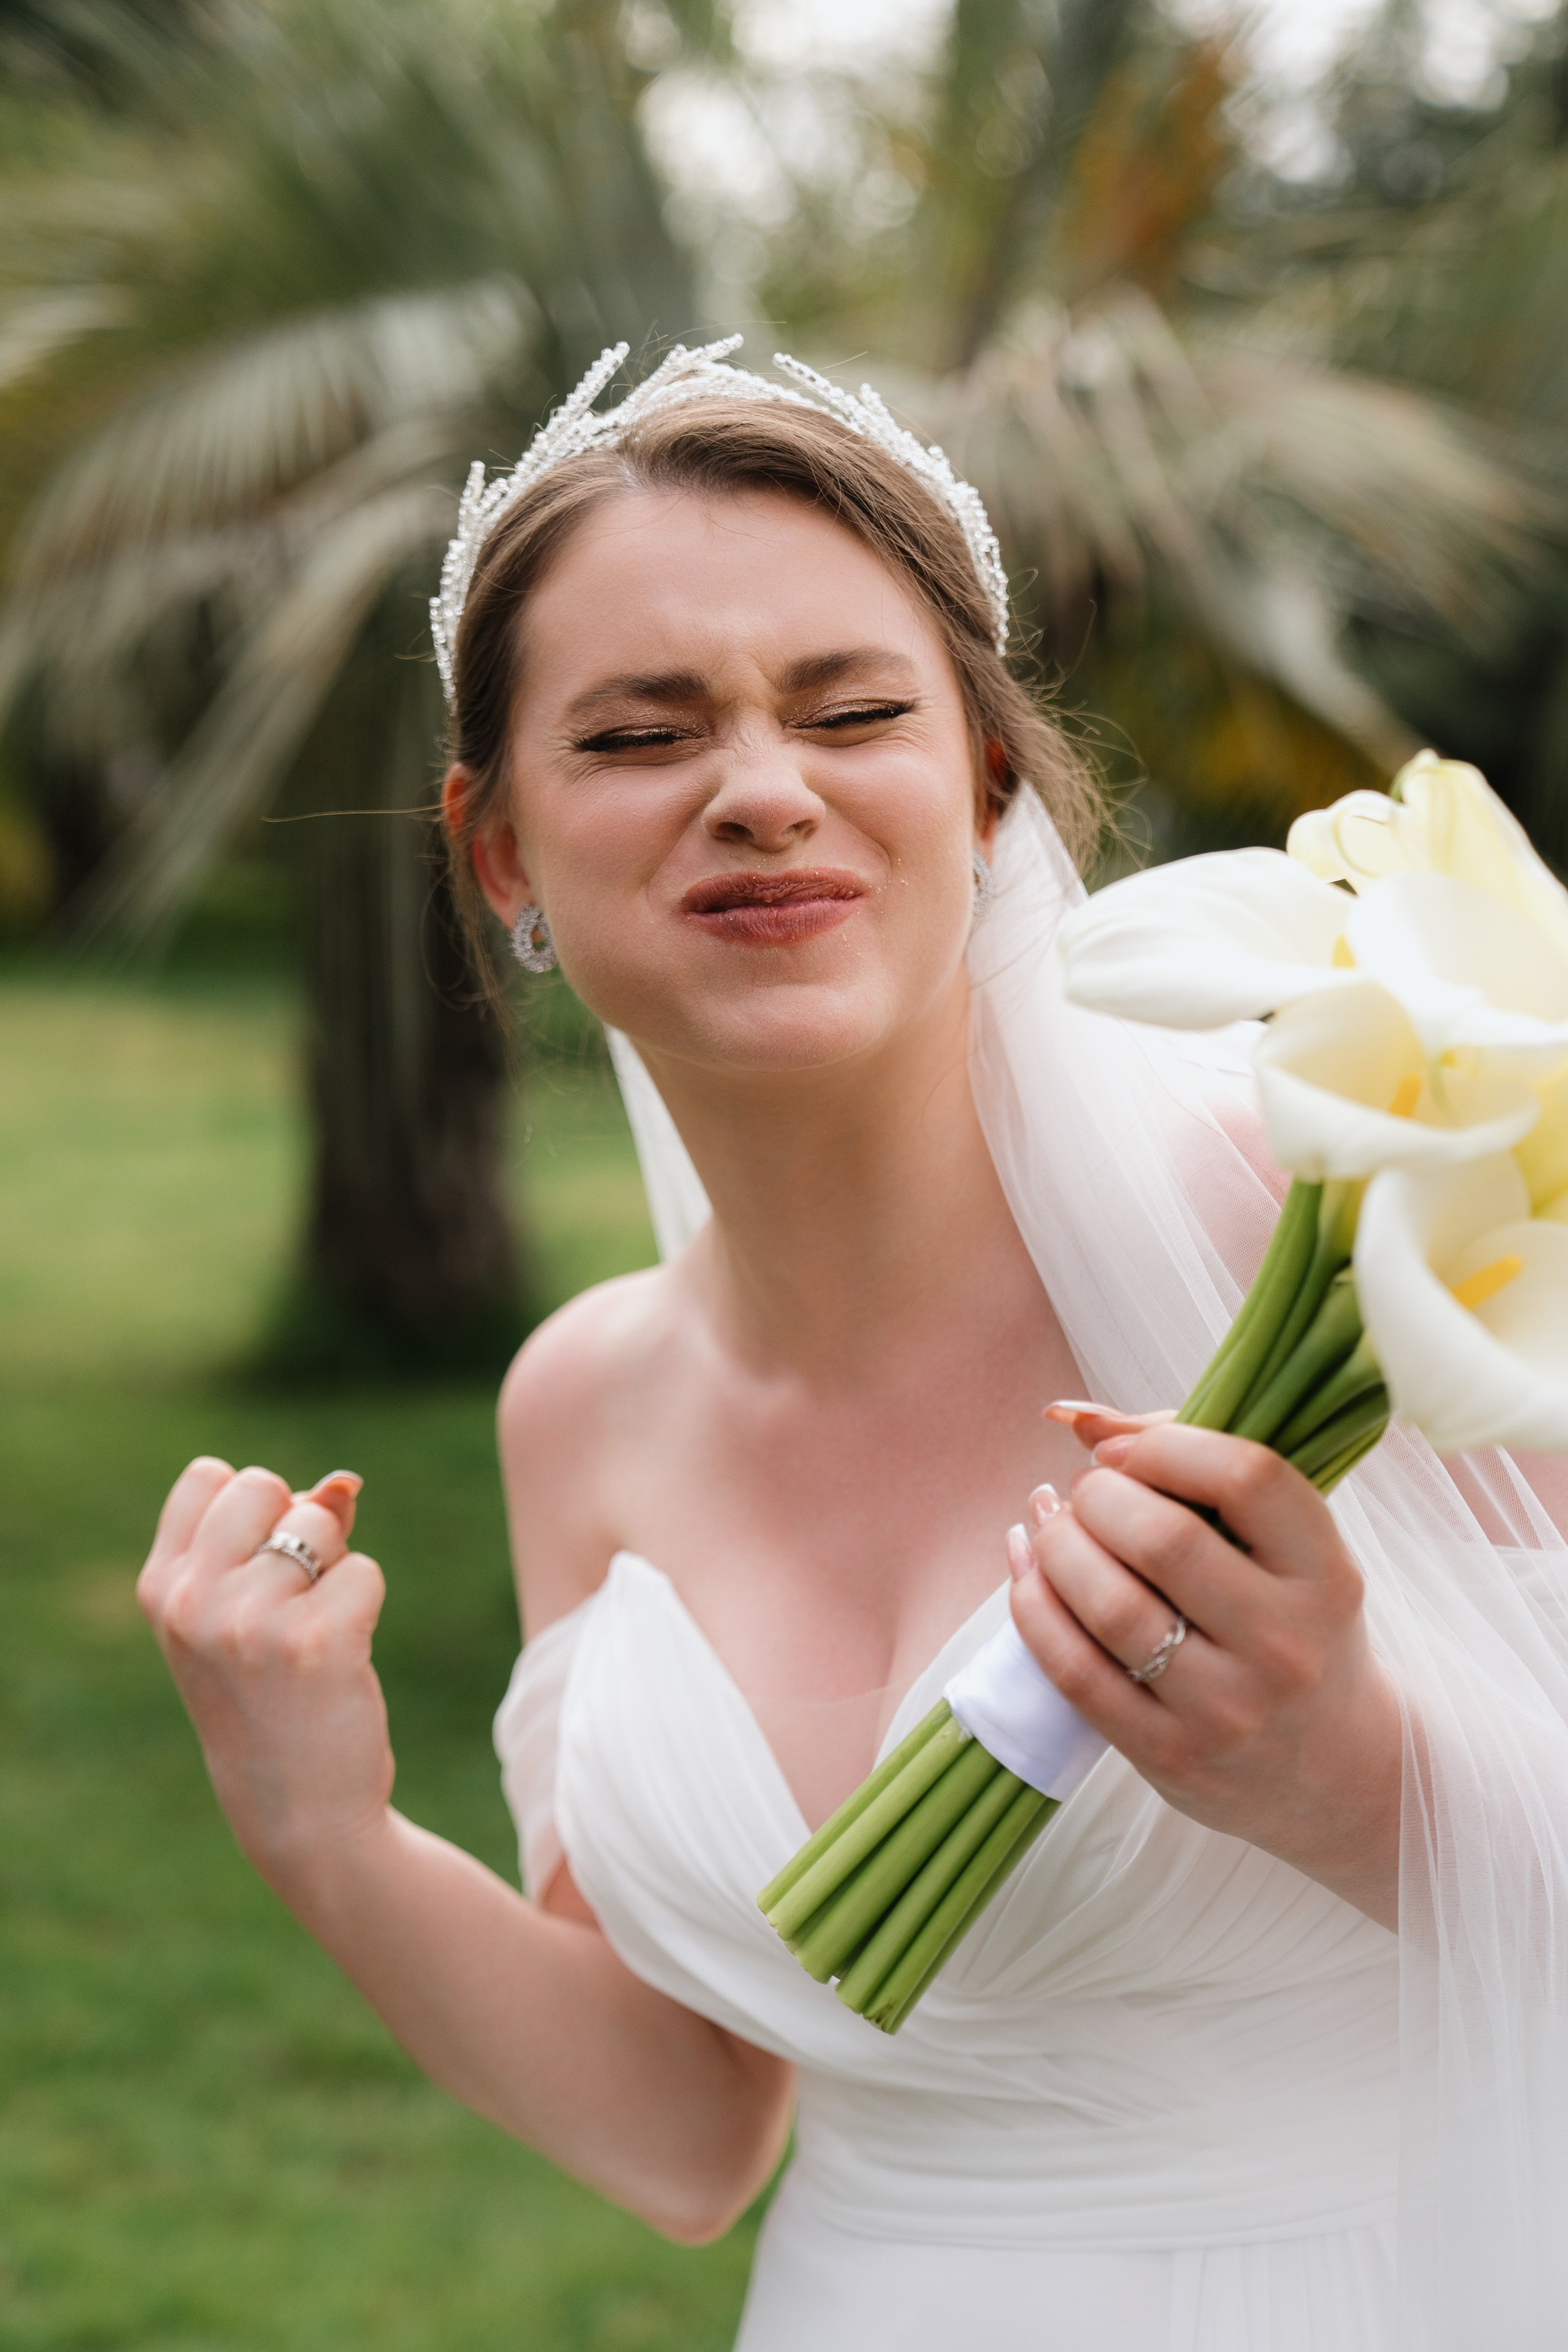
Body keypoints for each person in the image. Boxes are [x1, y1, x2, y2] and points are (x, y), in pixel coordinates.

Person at [138, 345, 1568, 2351]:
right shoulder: (581, 1405)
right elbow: (686, 2128)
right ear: (501, 848)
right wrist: (322, 1824)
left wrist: (1346, 1775)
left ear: (984, 781)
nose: (759, 790)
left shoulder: (1344, 1214)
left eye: (854, 712)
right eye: (639, 734)